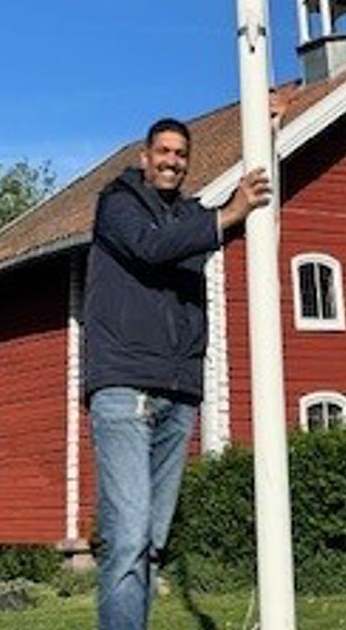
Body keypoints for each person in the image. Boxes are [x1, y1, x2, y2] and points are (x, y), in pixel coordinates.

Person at [83, 116, 272, 630]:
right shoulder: (117, 204)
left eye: (180, 154)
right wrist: (225, 215)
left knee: (152, 542)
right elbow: (151, 246)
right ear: (145, 157)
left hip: (178, 393)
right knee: (127, 536)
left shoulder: (190, 216)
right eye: (163, 151)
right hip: (124, 386)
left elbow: (233, 215)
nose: (172, 161)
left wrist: (268, 128)